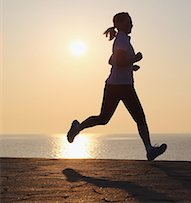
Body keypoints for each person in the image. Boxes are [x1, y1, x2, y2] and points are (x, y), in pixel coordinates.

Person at [67, 12, 167, 161]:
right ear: (120, 24)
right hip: (121, 86)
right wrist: (134, 59)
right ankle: (149, 150)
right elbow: (118, 62)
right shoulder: (121, 40)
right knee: (137, 118)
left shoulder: (122, 39)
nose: (131, 25)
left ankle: (78, 127)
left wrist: (130, 67)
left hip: (117, 85)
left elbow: (111, 61)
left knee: (104, 118)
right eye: (128, 22)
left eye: (131, 22)